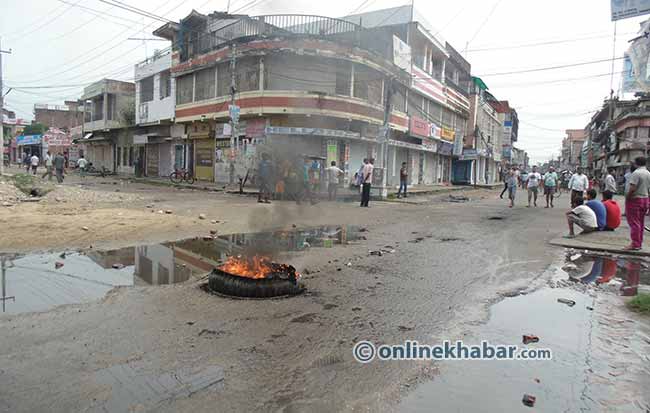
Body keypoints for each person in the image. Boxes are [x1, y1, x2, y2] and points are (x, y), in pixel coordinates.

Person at [624, 156, 650, 250]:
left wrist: (627, 197)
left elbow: (632, 188)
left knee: (634, 222)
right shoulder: (648, 173)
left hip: (635, 200)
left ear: (636, 163)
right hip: (645, 199)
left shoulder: (636, 173)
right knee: (641, 222)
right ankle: (639, 242)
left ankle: (635, 244)